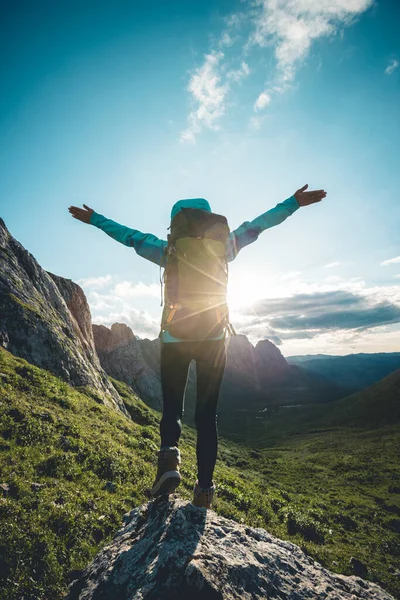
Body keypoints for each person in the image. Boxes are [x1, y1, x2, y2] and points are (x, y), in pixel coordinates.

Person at [69, 184, 326, 508]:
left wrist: (95, 219)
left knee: (172, 408)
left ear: (177, 224)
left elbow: (129, 235)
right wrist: (294, 203)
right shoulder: (226, 246)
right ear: (210, 221)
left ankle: (169, 463)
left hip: (175, 338)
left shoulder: (167, 250)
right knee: (206, 418)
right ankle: (204, 490)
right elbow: (259, 224)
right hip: (214, 338)